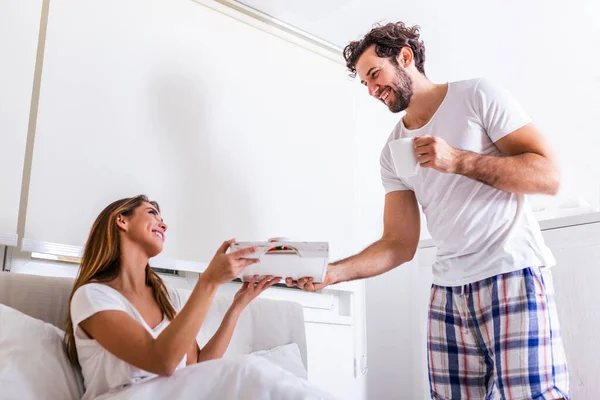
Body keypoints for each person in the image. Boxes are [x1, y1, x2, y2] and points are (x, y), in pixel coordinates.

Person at [287, 22, 569, 399]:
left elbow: (549, 176)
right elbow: (398, 244)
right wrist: (332, 273)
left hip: (511, 273)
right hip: (448, 293)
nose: (372, 90)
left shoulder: (477, 96)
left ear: (405, 56)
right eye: (364, 84)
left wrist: (459, 161)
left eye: (375, 74)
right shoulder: (392, 153)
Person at [64, 195, 281, 400]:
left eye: (163, 219)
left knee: (252, 374)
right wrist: (208, 281)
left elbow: (198, 366)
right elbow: (160, 361)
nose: (164, 225)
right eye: (152, 213)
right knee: (244, 373)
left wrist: (238, 305)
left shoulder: (166, 297)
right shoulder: (92, 296)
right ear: (122, 220)